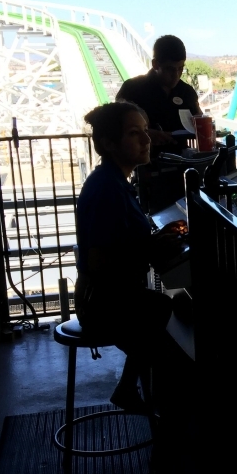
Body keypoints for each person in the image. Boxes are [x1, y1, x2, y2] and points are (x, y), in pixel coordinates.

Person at [74, 101, 187, 412]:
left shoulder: (113, 182)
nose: (146, 140)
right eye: (135, 134)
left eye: (145, 132)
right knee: (168, 328)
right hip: (102, 304)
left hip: (103, 298)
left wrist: (152, 242)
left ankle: (134, 392)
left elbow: (120, 245)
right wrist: (151, 248)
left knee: (162, 318)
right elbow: (101, 263)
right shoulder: (108, 190)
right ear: (109, 144)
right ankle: (168, 421)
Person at [116, 35, 204, 211]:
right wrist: (147, 134)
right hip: (145, 169)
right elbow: (116, 124)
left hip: (181, 168)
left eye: (180, 69)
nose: (176, 75)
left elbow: (198, 119)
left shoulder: (186, 92)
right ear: (155, 64)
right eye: (170, 69)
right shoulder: (133, 89)